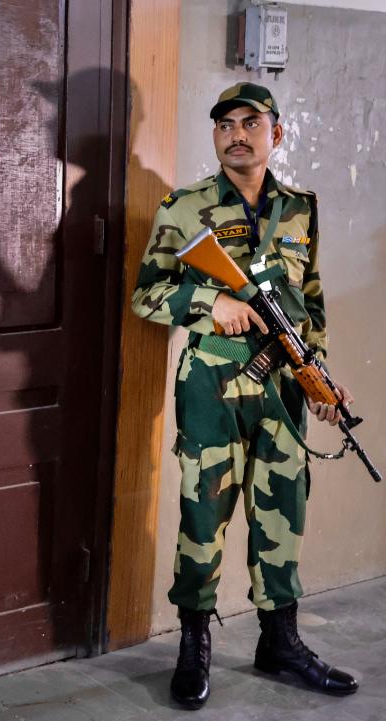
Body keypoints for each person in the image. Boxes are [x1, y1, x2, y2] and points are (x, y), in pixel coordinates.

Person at [131, 82, 358, 709]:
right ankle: (193, 645)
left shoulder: (302, 210)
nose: (237, 133)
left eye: (250, 123)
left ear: (275, 134)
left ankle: (280, 642)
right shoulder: (184, 209)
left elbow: (309, 301)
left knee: (283, 512)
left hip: (282, 388)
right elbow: (146, 295)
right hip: (212, 387)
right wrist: (212, 302)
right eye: (225, 124)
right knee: (203, 518)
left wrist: (321, 377)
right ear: (215, 137)